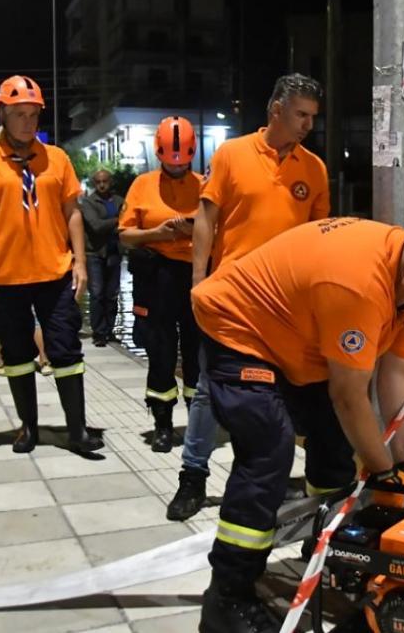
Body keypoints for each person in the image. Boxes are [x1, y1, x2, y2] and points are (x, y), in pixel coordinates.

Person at [192, 217, 404, 632]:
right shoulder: (359, 287)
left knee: (334, 444)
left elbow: (398, 373)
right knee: (269, 449)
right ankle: (227, 598)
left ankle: (329, 549)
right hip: (238, 327)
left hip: (297, 334)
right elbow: (349, 395)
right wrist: (385, 474)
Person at [169, 73, 331, 522]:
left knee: (276, 392)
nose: (307, 125)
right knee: (208, 391)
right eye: (301, 114)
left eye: (312, 118)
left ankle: (266, 475)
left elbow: (320, 238)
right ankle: (192, 477)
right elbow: (206, 219)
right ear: (275, 109)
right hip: (230, 298)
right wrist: (199, 280)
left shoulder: (313, 170)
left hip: (287, 305)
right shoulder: (231, 155)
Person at [0, 74, 102, 454]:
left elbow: (72, 212)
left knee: (66, 349)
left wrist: (80, 263)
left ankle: (77, 430)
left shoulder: (56, 158)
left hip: (54, 272)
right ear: (3, 115)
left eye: (33, 113)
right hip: (5, 276)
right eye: (20, 114)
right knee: (18, 353)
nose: (28, 121)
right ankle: (28, 427)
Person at [119, 116, 203, 453]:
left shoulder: (205, 184)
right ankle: (163, 424)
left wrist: (191, 230)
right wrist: (158, 234)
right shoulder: (142, 185)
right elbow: (125, 235)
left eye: (183, 162)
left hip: (196, 275)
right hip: (156, 278)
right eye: (171, 161)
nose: (177, 167)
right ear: (159, 154)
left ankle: (198, 425)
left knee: (198, 354)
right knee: (161, 351)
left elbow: (221, 228)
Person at [80, 169, 125, 347]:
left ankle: (110, 330)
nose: (102, 185)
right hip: (95, 253)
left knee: (112, 294)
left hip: (114, 252)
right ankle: (99, 332)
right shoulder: (89, 202)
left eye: (105, 181)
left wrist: (117, 222)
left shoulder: (119, 201)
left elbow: (127, 222)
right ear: (94, 183)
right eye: (98, 182)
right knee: (97, 294)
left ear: (110, 181)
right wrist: (117, 220)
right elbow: (96, 226)